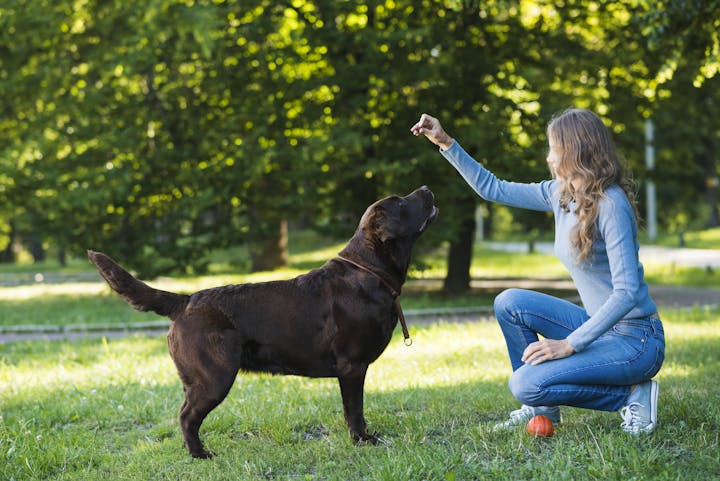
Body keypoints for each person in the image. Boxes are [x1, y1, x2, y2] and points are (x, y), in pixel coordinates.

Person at [410, 109, 665, 434]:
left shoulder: (612, 205)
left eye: (554, 148)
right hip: (599, 326)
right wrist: (445, 142)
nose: (549, 157)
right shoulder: (561, 194)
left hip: (637, 340)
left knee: (524, 383)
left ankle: (633, 393)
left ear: (576, 151)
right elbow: (494, 189)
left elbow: (627, 293)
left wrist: (569, 344)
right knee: (510, 302)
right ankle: (542, 408)